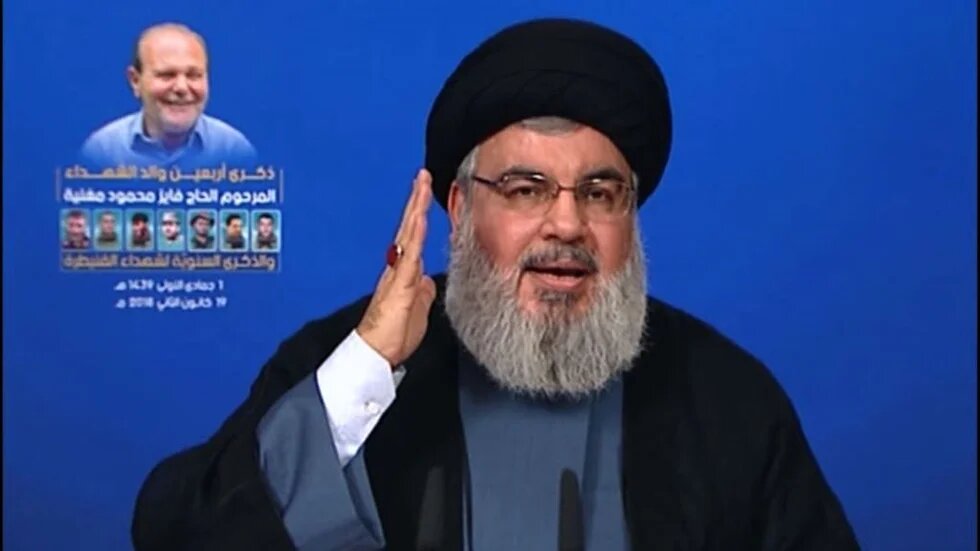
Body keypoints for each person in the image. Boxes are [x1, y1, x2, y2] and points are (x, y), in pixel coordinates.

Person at [131, 18, 859, 550]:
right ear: (459, 207)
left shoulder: (726, 396)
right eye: (525, 188)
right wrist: (366, 367)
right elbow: (179, 532)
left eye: (600, 192)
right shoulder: (347, 359)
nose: (567, 222)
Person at [79, 23, 255, 168]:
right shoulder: (102, 151)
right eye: (167, 75)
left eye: (194, 75)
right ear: (135, 81)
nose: (181, 88)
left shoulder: (233, 151)